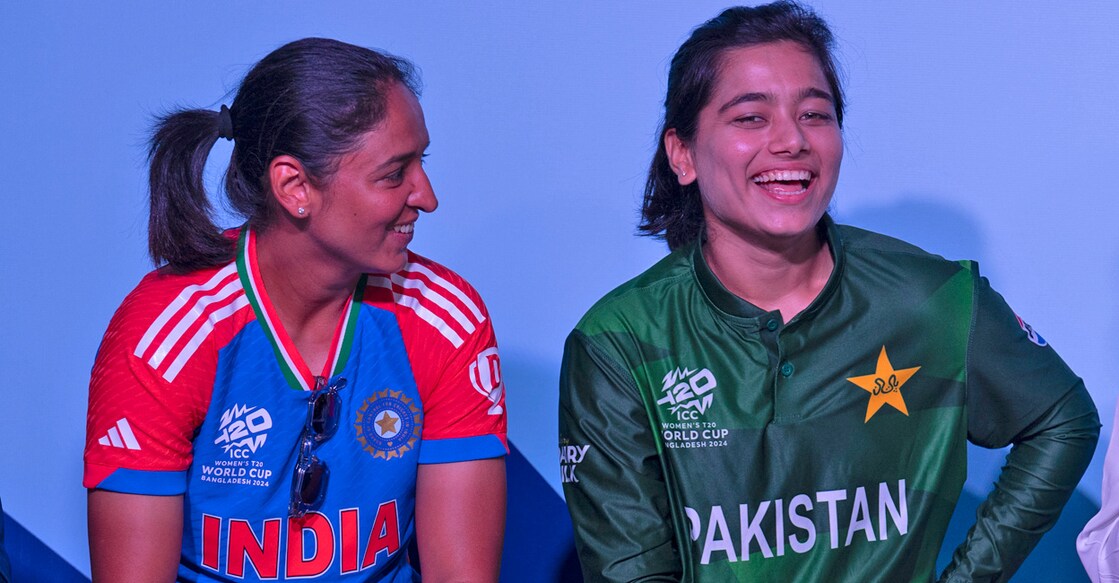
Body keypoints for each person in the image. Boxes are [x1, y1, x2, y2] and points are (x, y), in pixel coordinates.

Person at [558, 2, 1100, 581]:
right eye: (751, 118)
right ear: (682, 154)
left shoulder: (933, 299)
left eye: (815, 114)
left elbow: (1063, 419)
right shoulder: (618, 343)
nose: (792, 140)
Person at [83, 38, 507, 583]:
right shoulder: (164, 334)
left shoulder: (447, 319)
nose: (426, 196)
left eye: (420, 161)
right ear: (295, 186)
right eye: (393, 173)